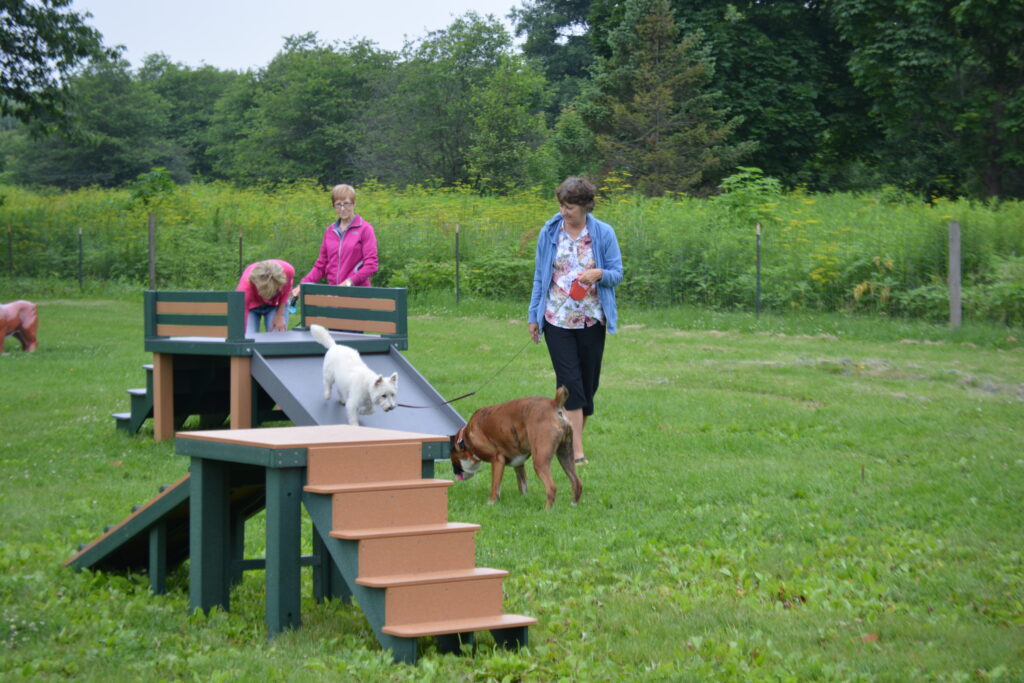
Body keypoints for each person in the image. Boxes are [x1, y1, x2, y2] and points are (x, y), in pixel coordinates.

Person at [528, 176, 623, 466]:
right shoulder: (549, 231)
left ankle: (572, 431)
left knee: (587, 385)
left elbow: (617, 273)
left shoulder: (603, 233)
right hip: (556, 318)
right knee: (570, 382)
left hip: (591, 320)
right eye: (561, 205)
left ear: (585, 206)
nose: (563, 211)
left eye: (569, 206)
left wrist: (599, 275)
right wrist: (534, 316)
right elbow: (540, 277)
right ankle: (576, 451)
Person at [293, 184, 379, 303]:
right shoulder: (330, 231)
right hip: (333, 295)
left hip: (358, 295)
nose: (342, 208)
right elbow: (320, 266)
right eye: (338, 204)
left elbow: (371, 265)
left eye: (347, 203)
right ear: (333, 206)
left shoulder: (365, 229)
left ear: (354, 203)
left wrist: (349, 282)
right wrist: (303, 284)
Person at [237, 259, 294, 333]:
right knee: (248, 336)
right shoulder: (244, 289)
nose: (267, 300)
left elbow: (287, 290)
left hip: (276, 304)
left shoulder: (288, 271)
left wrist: (280, 315)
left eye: (273, 292)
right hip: (251, 306)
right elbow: (241, 316)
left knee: (278, 337)